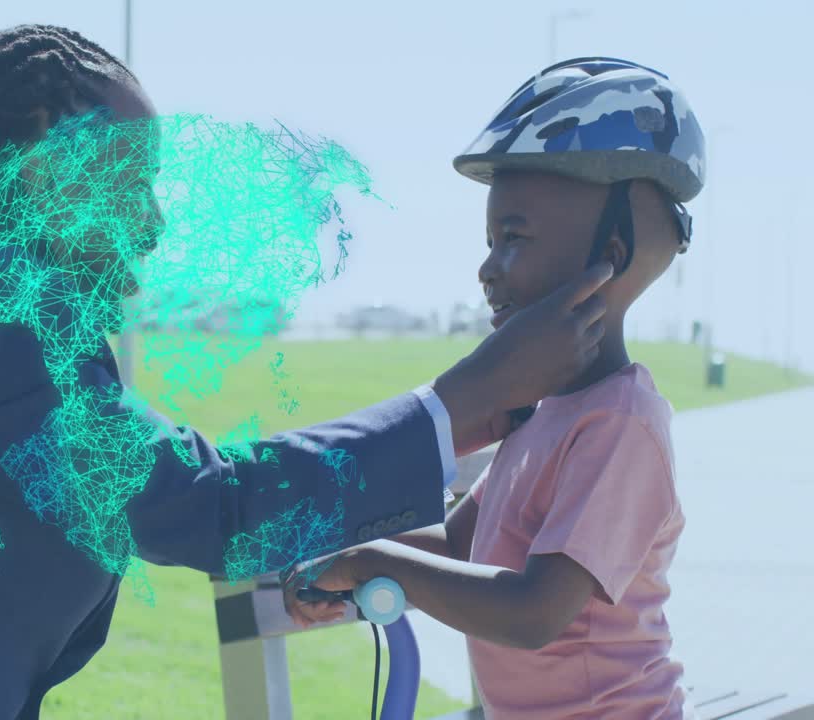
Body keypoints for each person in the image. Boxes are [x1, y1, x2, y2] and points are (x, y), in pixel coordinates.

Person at [0, 27, 613, 720]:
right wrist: (464, 396)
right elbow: (204, 505)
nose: (153, 219)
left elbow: (181, 488)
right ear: (46, 149)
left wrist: (452, 436)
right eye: (131, 177)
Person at [285, 57, 704, 719]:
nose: (487, 268)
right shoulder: (540, 414)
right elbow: (459, 547)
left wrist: (371, 562)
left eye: (514, 238)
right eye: (489, 240)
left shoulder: (622, 423)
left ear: (612, 253)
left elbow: (534, 612)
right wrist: (345, 559)